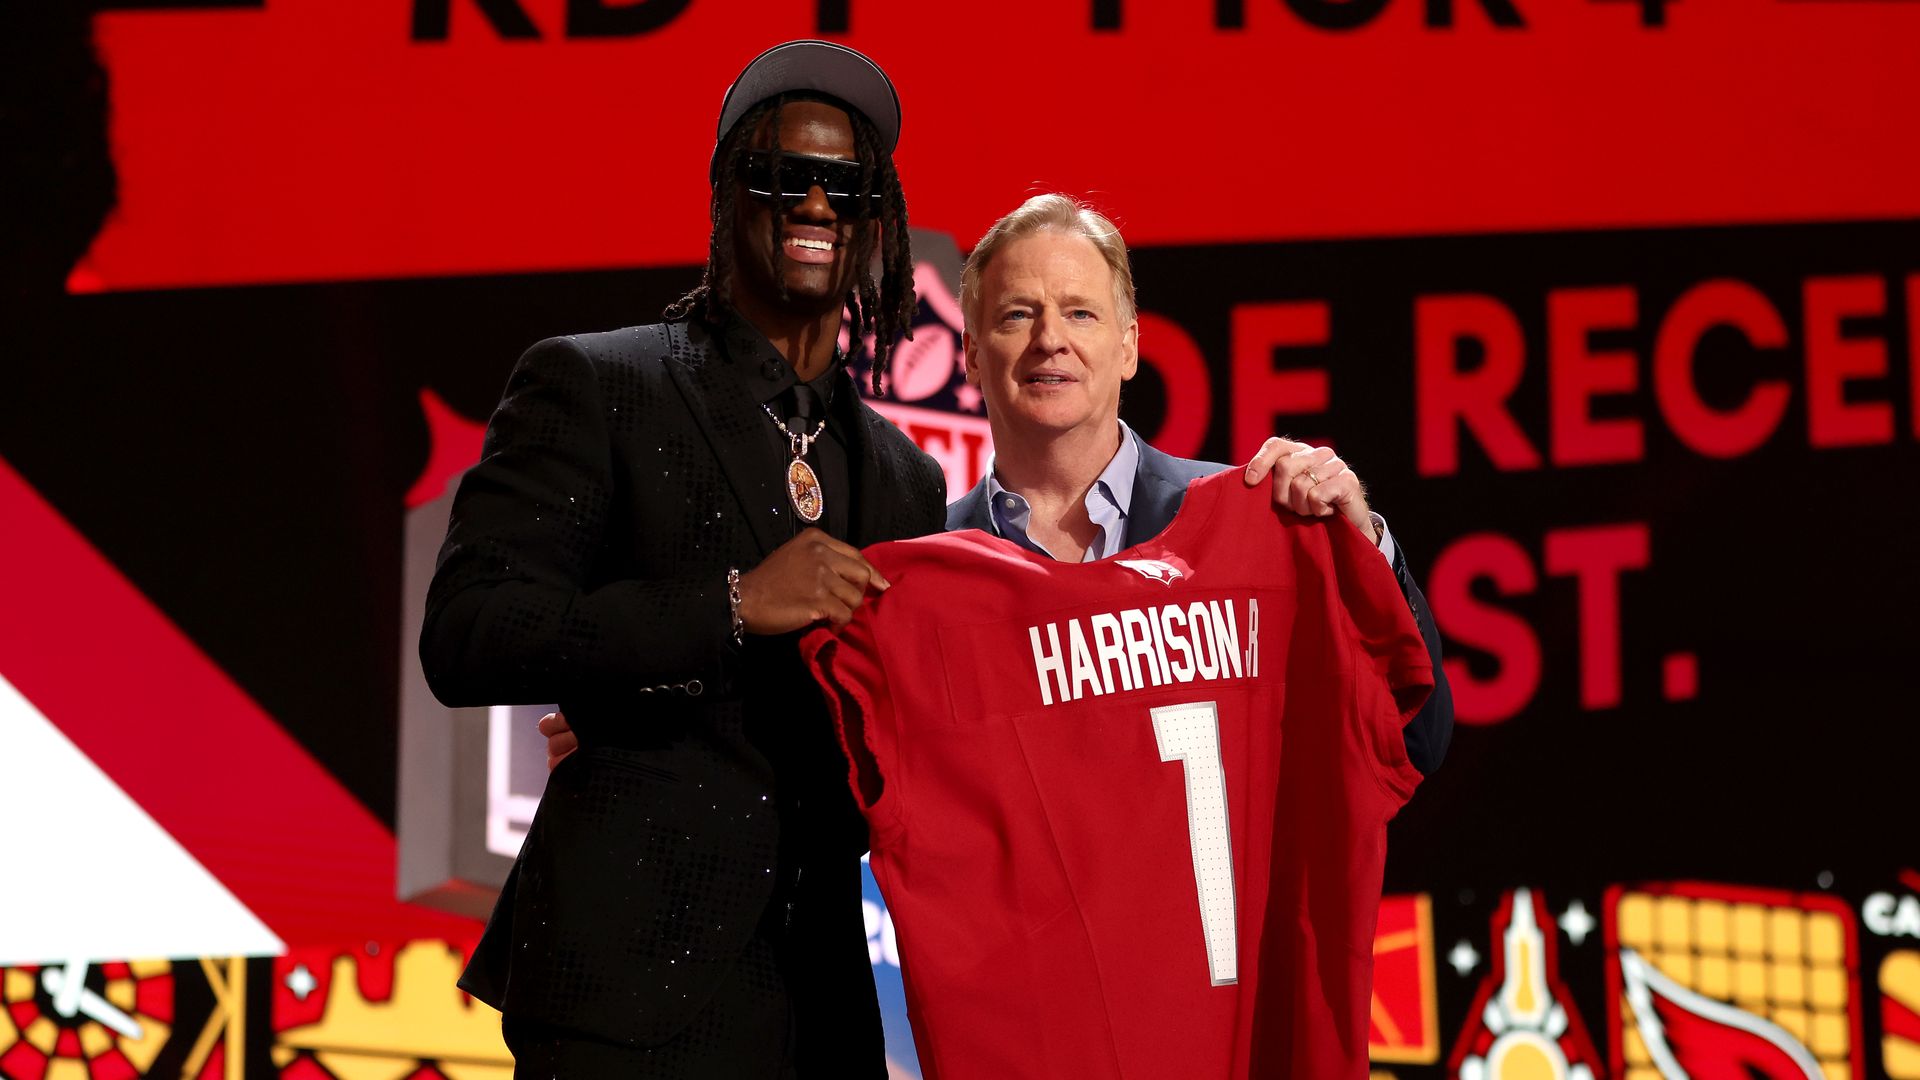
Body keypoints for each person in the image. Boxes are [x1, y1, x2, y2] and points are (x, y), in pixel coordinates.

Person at [419, 41, 945, 1079]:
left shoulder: (906, 478)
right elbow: (469, 630)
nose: (815, 203)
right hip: (626, 996)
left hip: (825, 1013)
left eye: (845, 184)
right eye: (782, 173)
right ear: (726, 196)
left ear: (876, 219)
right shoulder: (599, 384)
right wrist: (733, 606)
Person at [547, 194, 1452, 772]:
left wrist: (1362, 543)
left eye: (1081, 313)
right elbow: (827, 771)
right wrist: (637, 739)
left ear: (1130, 345)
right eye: (1017, 315)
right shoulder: (923, 576)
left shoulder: (1249, 525)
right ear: (973, 355)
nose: (1050, 339)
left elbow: (1413, 732)